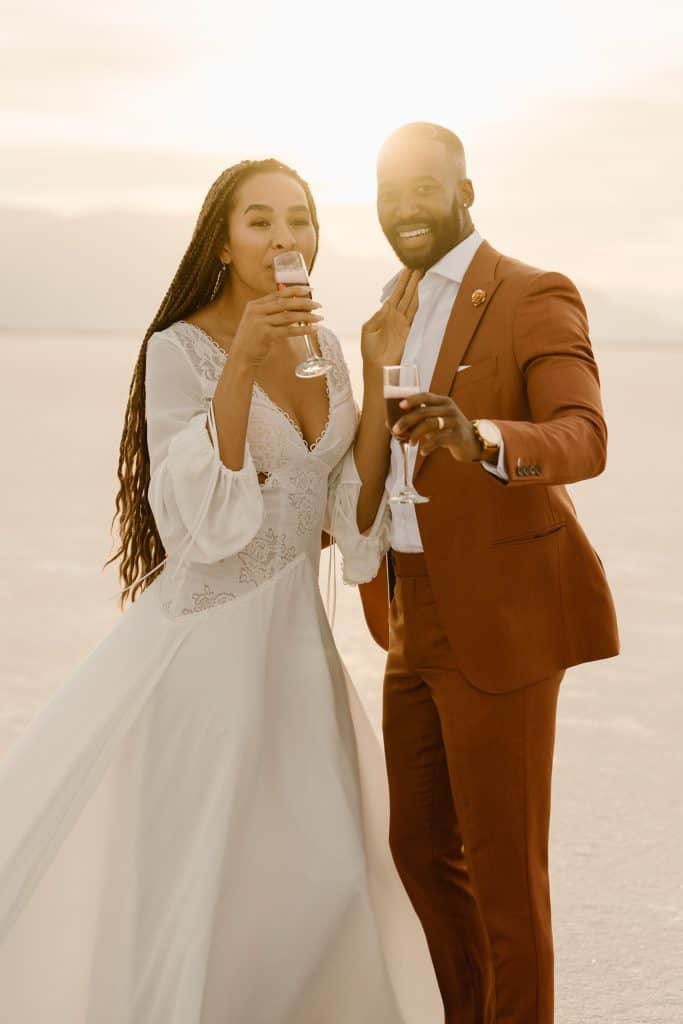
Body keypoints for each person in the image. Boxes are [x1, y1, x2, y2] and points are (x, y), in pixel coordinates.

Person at [0, 158, 443, 1023]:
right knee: (206, 879)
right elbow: (202, 521)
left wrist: (378, 370)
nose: (285, 239)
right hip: (205, 656)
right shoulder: (180, 348)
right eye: (260, 221)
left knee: (326, 874)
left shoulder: (321, 351)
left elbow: (346, 512)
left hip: (296, 656)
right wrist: (239, 362)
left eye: (300, 219)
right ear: (223, 238)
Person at [343, 123, 621, 1024]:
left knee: (505, 873)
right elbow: (377, 461)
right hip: (407, 612)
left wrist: (484, 438)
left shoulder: (532, 294)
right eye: (391, 193)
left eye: (424, 189)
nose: (406, 209)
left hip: (500, 619)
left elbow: (583, 436)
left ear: (466, 190)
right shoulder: (388, 308)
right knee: (419, 850)